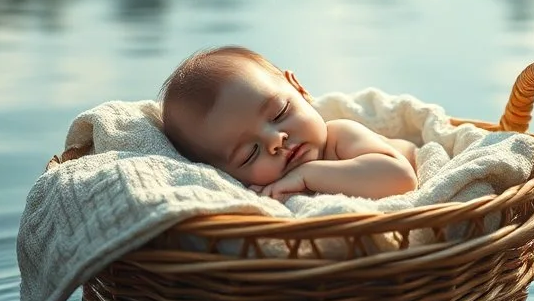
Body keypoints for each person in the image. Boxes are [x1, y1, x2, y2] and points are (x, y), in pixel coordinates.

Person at [160, 45, 417, 202]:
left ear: (299, 88)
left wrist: (307, 176)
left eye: (279, 113)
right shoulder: (265, 192)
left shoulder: (340, 137)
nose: (275, 140)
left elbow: (402, 179)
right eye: (250, 154)